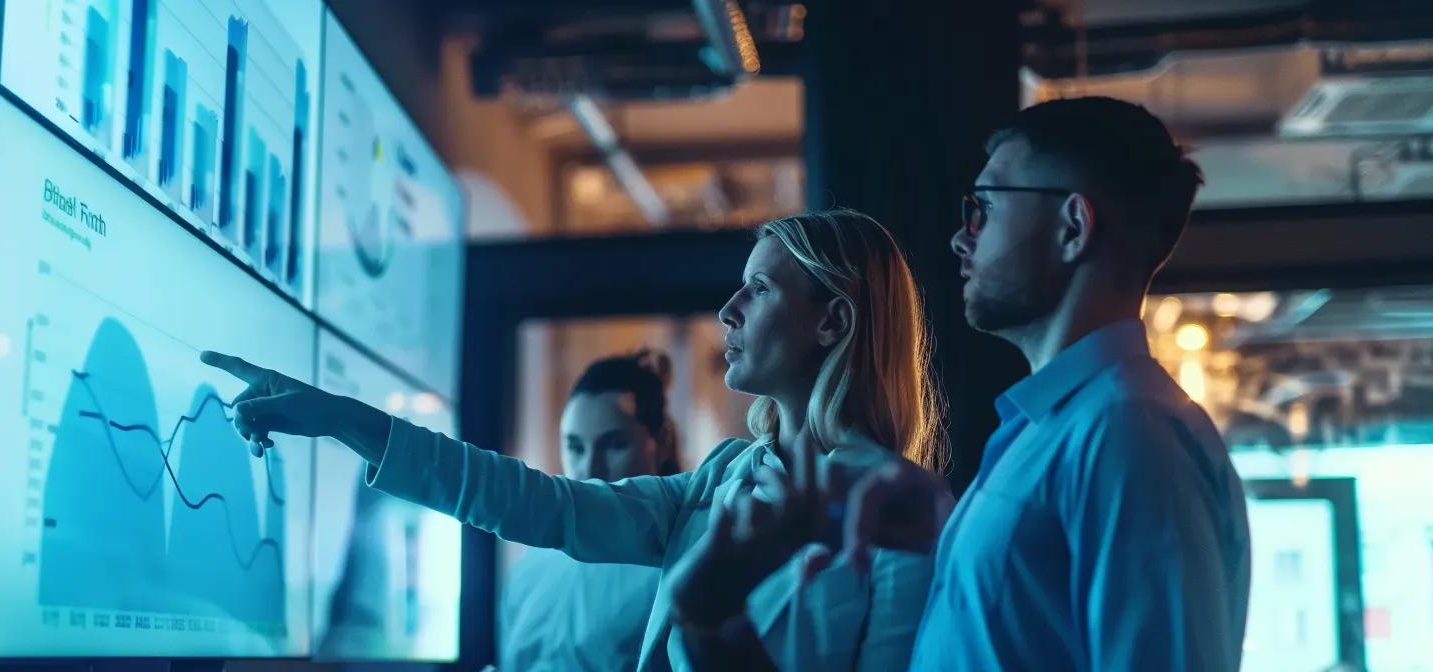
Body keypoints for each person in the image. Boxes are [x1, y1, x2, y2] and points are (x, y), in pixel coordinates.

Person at [200, 208, 947, 671]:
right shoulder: (724, 475)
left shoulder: (900, 512)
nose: (729, 309)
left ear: (833, 322)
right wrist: (339, 417)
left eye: (761, 288)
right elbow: (534, 502)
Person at [679, 96, 1255, 671]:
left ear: (1072, 227)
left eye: (986, 207)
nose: (961, 236)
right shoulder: (1047, 434)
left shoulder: (1130, 433)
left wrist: (713, 625)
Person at [497, 350, 682, 672]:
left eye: (614, 444)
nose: (590, 468)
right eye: (575, 447)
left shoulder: (678, 565)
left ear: (661, 442)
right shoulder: (528, 569)